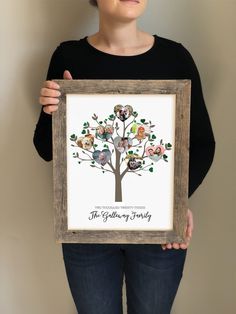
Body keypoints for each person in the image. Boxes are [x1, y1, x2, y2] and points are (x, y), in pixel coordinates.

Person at [33, 0, 215, 313]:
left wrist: (177, 203)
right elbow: (46, 149)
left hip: (158, 233)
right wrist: (53, 113)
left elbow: (202, 144)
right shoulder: (67, 57)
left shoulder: (175, 58)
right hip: (86, 231)